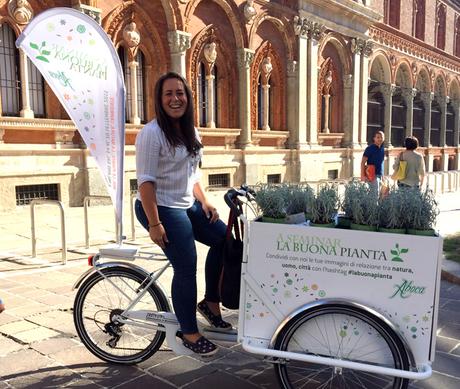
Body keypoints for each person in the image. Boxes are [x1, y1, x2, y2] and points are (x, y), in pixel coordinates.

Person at [135, 72, 229, 356]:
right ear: (159, 99)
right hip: (160, 206)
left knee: (227, 241)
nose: (175, 99)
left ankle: (211, 303)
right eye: (169, 94)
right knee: (187, 266)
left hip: (188, 203)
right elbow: (145, 182)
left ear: (188, 98)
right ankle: (188, 331)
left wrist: (205, 201)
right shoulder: (151, 134)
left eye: (180, 93)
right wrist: (154, 224)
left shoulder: (191, 132)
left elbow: (192, 174)